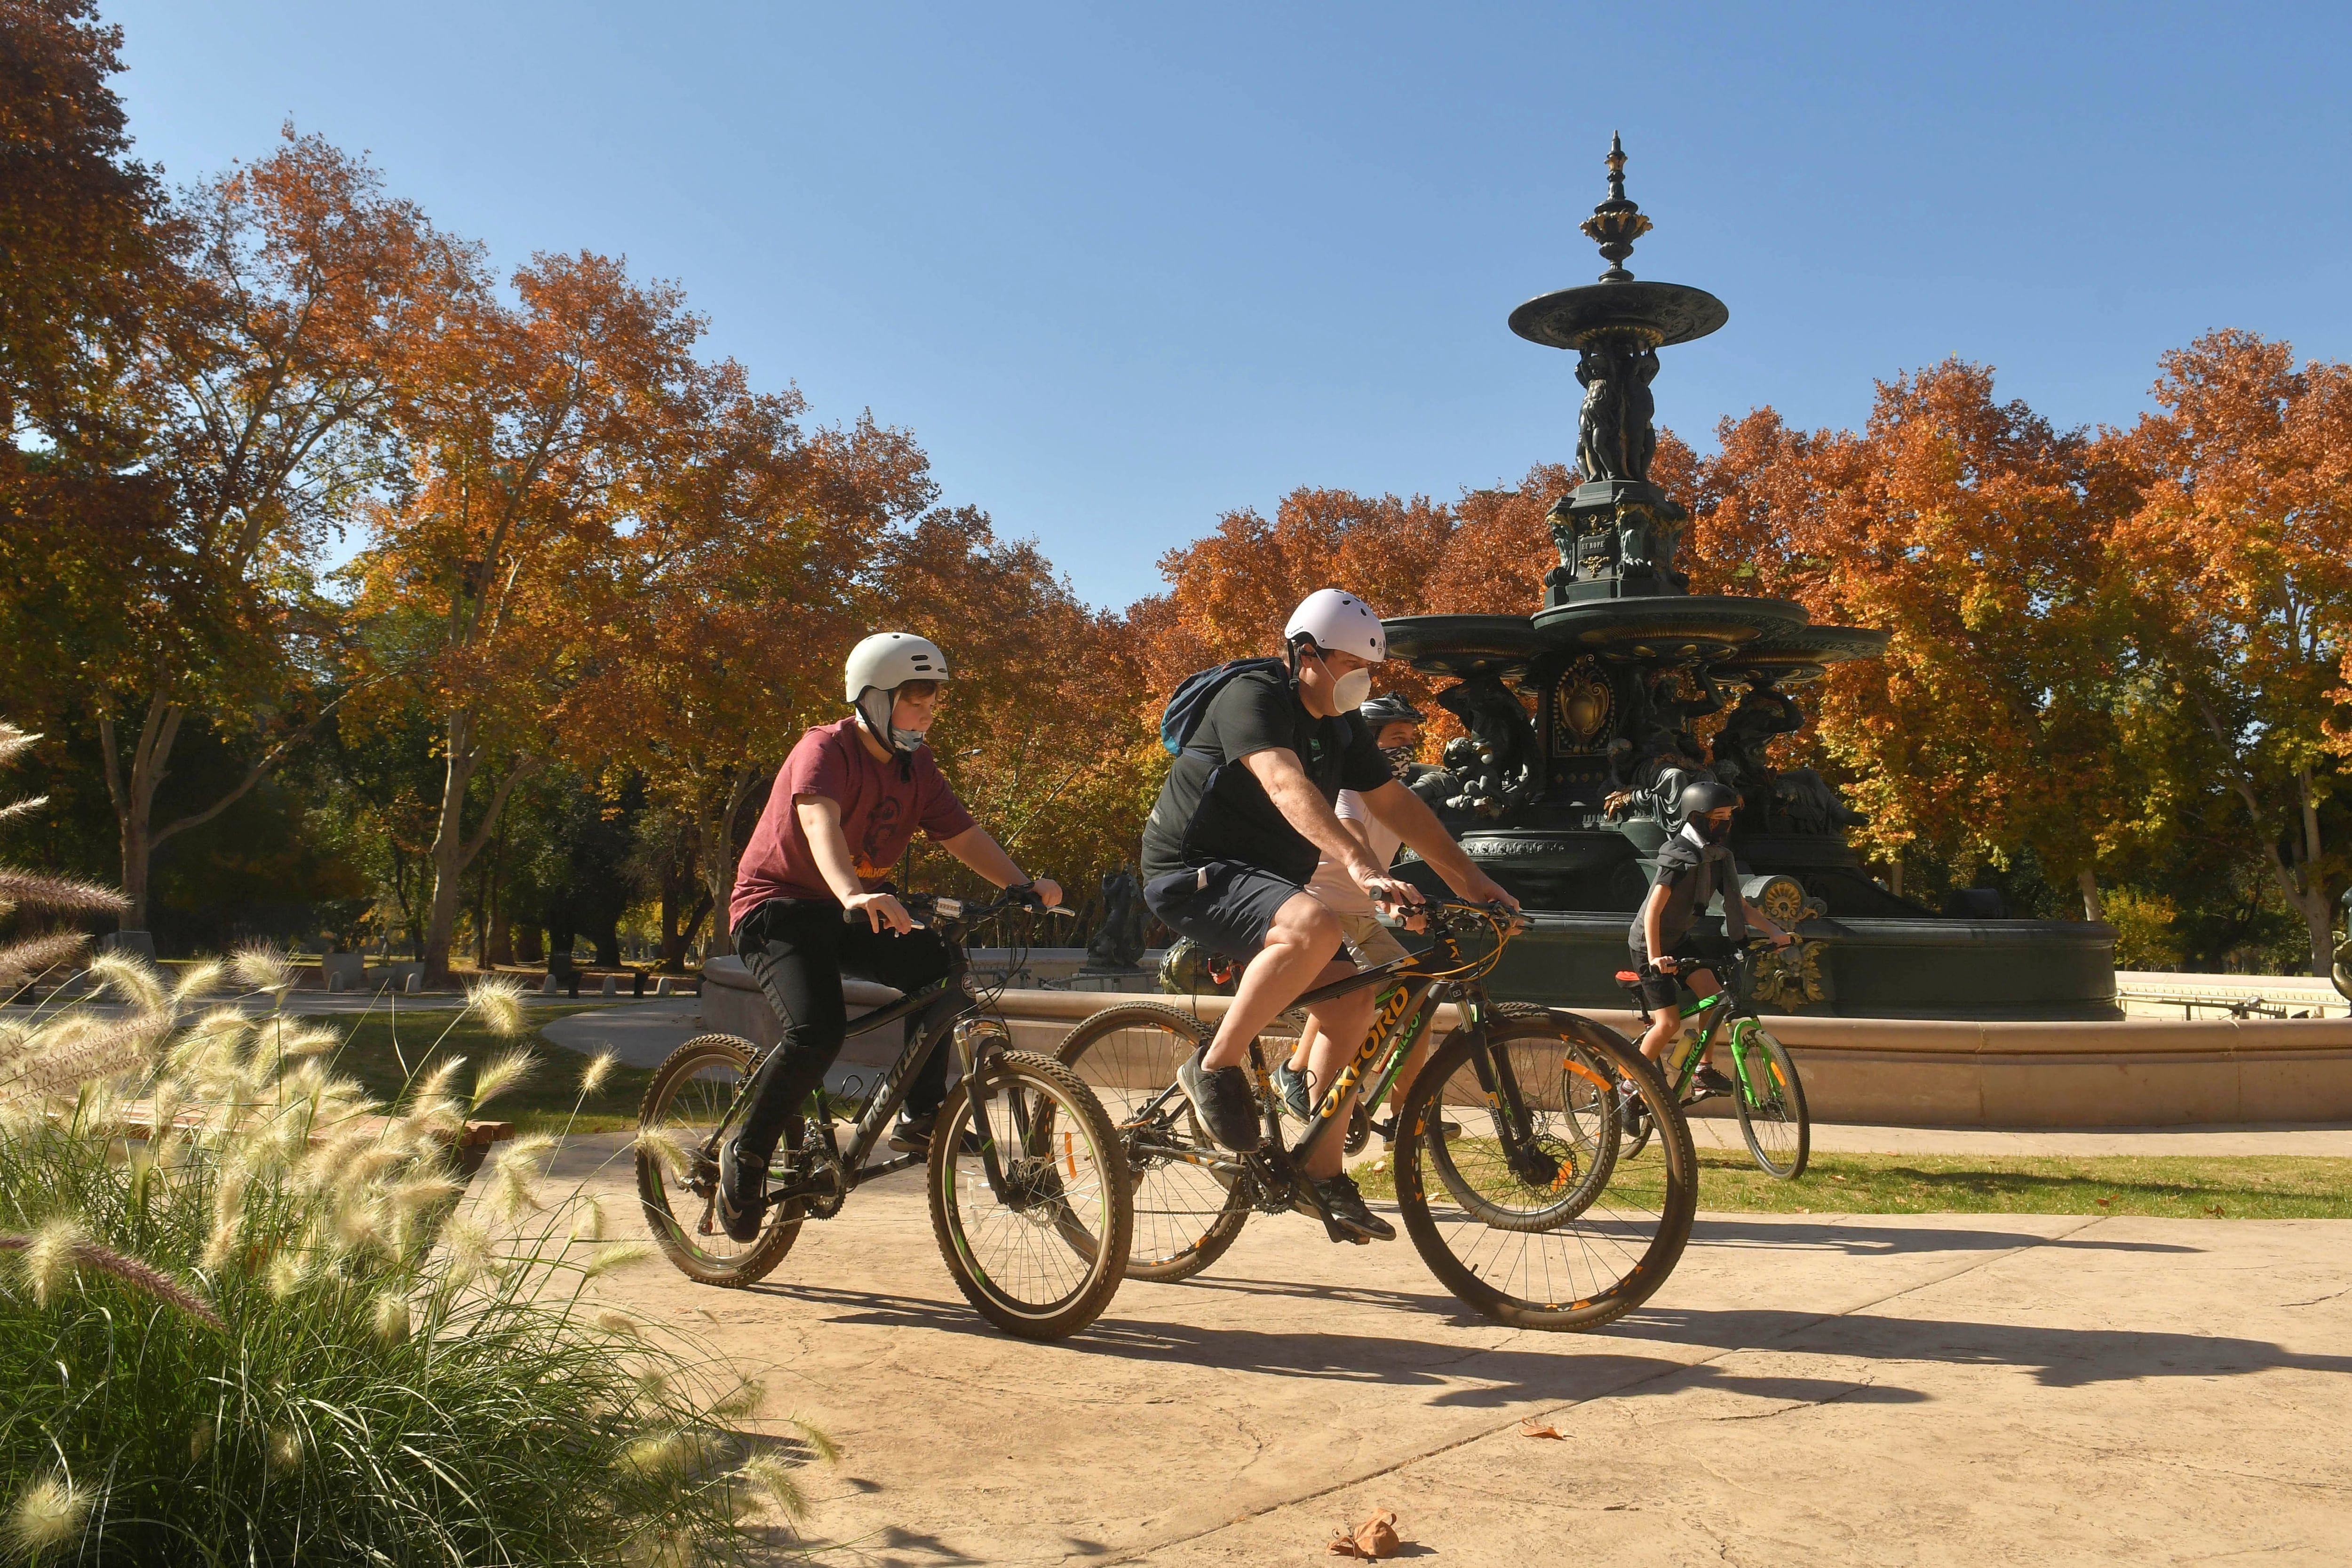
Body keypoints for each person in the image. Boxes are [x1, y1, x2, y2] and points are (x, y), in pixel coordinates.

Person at [1140, 589, 1520, 1242]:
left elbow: (1398, 805)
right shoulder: (1253, 696)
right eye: (1350, 664)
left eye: (1367, 668)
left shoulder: (1340, 728)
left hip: (1264, 879)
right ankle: (1212, 1067)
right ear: (1305, 654)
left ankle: (1321, 1173)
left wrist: (1476, 880)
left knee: (1352, 1006)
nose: (1362, 680)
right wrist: (1364, 866)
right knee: (1314, 924)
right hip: (1192, 868)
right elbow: (1284, 783)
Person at [716, 632, 1062, 1242]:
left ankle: (921, 1113)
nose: (929, 712)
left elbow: (961, 834)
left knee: (935, 970)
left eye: (935, 700)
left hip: (853, 908)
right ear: (873, 699)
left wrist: (1023, 884)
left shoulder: (917, 767)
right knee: (815, 1029)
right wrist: (852, 891)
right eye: (916, 698)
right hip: (778, 908)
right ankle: (745, 1152)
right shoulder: (824, 748)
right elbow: (818, 822)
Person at [1276, 694, 1449, 1147]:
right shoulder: (1347, 792)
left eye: (1411, 740)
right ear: (1368, 745)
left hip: (1363, 919)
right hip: (1322, 914)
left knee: (1418, 995)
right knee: (1354, 1002)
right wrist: (1388, 893)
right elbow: (1355, 840)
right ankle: (1319, 1126)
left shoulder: (1399, 799)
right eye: (1397, 739)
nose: (1407, 750)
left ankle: (1404, 1117)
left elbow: (1435, 849)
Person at [1629, 778, 1793, 1090]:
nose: (1726, 824)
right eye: (1719, 818)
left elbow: (1739, 905)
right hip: (1647, 943)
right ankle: (1629, 1085)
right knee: (1668, 1023)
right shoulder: (1678, 856)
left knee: (1716, 998)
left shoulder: (1716, 856)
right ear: (1696, 817)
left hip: (1677, 940)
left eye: (1729, 817)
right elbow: (1653, 911)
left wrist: (1774, 930)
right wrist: (1654, 957)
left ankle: (1703, 1072)